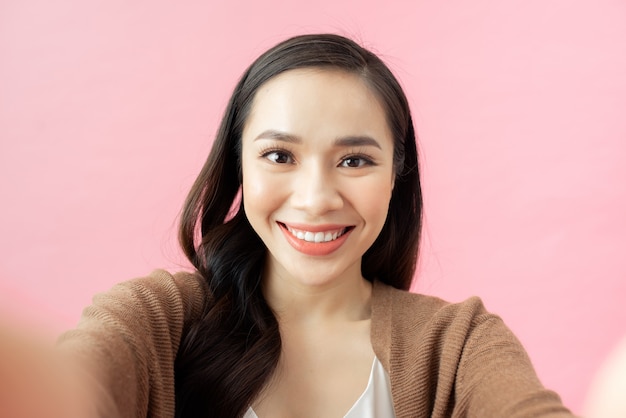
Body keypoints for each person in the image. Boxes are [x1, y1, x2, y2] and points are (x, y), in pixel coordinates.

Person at [6, 33, 576, 418]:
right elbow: (66, 390)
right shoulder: (156, 319)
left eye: (355, 161)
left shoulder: (458, 345)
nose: (316, 199)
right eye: (280, 156)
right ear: (239, 167)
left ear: (397, 176)